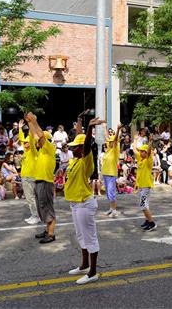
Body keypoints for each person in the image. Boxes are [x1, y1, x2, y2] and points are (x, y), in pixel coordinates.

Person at [65, 117, 105, 285]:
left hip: (84, 203)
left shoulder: (86, 161)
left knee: (90, 237)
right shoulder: (75, 160)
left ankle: (93, 272)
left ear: (81, 149)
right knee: (80, 235)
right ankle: (84, 265)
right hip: (75, 203)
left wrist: (89, 129)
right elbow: (81, 138)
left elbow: (87, 144)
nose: (72, 149)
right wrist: (81, 125)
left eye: (75, 147)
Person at [25, 112, 57, 244]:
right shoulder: (39, 153)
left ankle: (51, 234)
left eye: (40, 140)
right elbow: (34, 136)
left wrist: (35, 121)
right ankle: (47, 229)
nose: (38, 142)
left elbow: (41, 136)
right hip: (39, 183)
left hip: (45, 182)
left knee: (48, 208)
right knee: (41, 208)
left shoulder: (50, 148)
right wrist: (30, 122)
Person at [132, 134, 157, 231]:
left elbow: (150, 152)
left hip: (146, 186)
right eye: (141, 151)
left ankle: (152, 223)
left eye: (143, 151)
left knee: (143, 205)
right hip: (141, 186)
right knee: (144, 205)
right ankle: (147, 220)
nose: (140, 152)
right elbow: (134, 150)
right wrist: (135, 140)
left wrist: (150, 143)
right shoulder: (140, 159)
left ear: (146, 153)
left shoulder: (148, 161)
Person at [18, 119, 40, 225]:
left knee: (31, 198)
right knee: (30, 198)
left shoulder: (33, 151)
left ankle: (36, 216)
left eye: (26, 142)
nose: (25, 143)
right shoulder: (25, 152)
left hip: (30, 177)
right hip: (26, 177)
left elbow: (30, 139)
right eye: (24, 143)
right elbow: (22, 139)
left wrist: (31, 124)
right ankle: (34, 215)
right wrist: (20, 128)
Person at [101, 123, 122, 217]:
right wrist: (104, 127)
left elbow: (116, 138)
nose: (110, 142)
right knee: (108, 193)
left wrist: (117, 129)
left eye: (111, 141)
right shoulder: (108, 150)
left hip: (111, 174)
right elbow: (106, 137)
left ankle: (114, 210)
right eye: (109, 142)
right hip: (105, 174)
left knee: (111, 193)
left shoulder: (114, 150)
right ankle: (111, 208)